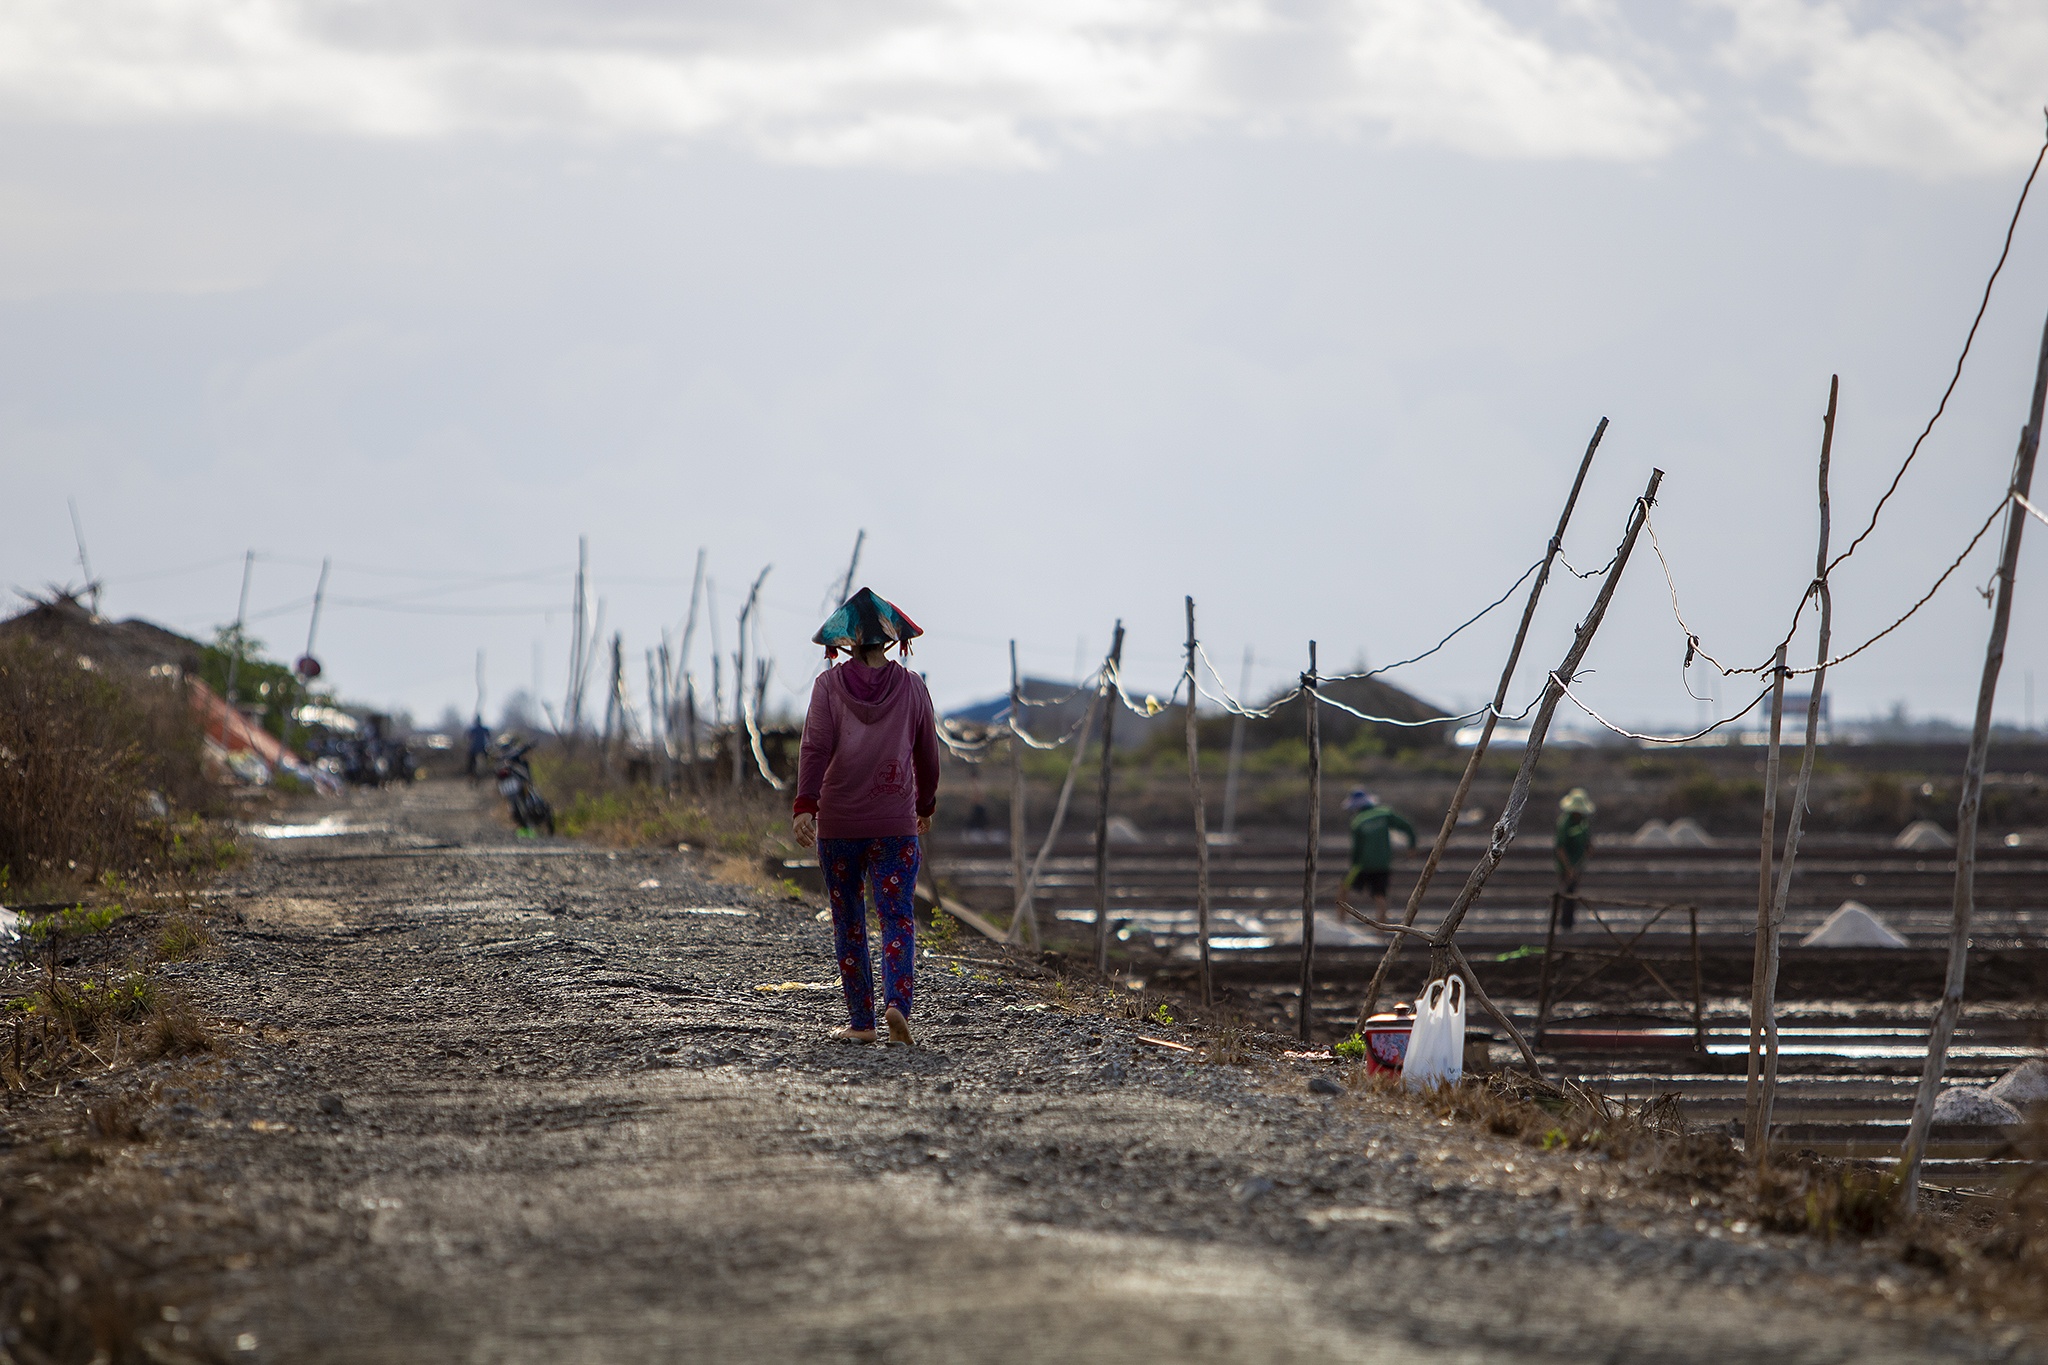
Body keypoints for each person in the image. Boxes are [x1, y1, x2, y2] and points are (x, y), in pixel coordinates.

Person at [791, 588, 941, 1046]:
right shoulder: (913, 687)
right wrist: (925, 805)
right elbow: (927, 754)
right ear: (892, 640)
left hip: (838, 825)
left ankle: (861, 1024)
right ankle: (898, 1003)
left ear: (849, 641)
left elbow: (815, 748)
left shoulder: (828, 687)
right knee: (897, 916)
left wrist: (805, 806)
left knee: (849, 919)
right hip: (896, 824)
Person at [1343, 789, 1415, 922]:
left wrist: (1354, 867)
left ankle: (1340, 921)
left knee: (1343, 889)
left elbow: (1357, 850)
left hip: (1363, 865)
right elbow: (1407, 827)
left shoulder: (1357, 821)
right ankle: (1381, 931)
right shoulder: (1384, 813)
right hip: (1383, 864)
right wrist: (1412, 846)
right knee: (1380, 895)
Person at [1554, 787, 1595, 932]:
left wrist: (1588, 849)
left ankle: (1570, 923)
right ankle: (1564, 924)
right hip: (1566, 866)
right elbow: (1560, 848)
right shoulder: (1565, 823)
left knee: (1573, 893)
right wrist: (1568, 868)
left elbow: (1587, 841)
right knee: (1566, 893)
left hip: (1578, 864)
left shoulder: (1584, 822)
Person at [465, 714, 491, 779]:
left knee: (471, 762)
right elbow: (489, 736)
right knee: (488, 759)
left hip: (475, 747)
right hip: (482, 747)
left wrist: (468, 744)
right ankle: (487, 770)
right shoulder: (484, 729)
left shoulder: (473, 729)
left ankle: (471, 773)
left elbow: (469, 738)